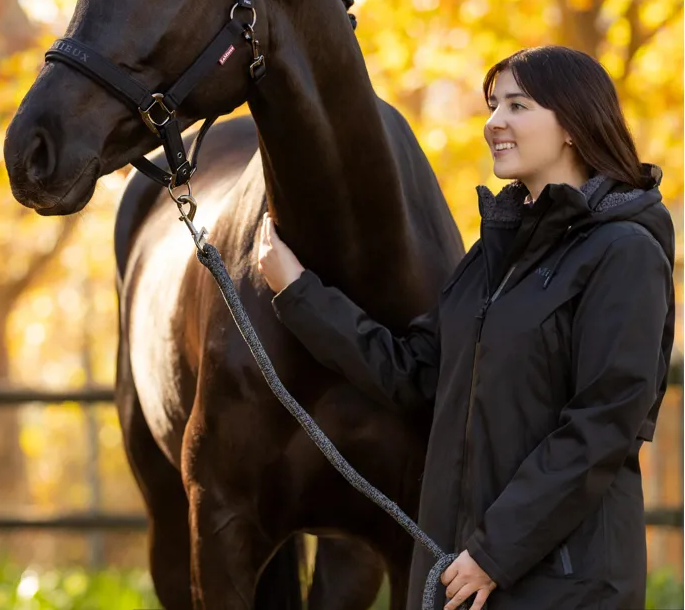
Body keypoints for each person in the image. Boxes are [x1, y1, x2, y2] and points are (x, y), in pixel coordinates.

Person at [257, 46, 676, 610]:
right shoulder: (492, 256)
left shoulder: (624, 253)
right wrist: (298, 291)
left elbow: (602, 425)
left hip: (565, 586)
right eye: (493, 105)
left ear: (573, 126)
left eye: (518, 106)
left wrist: (494, 553)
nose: (494, 122)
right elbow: (413, 372)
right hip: (461, 573)